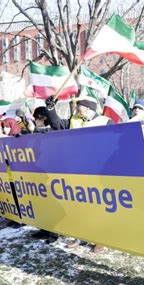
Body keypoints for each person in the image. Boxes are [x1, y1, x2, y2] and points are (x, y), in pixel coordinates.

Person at [45, 95, 111, 252]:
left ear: (87, 107)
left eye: (78, 105)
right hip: (76, 171)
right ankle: (80, 236)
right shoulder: (73, 120)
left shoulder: (104, 122)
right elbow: (55, 123)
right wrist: (50, 108)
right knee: (79, 206)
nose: (75, 108)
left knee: (97, 208)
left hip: (97, 172)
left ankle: (101, 239)